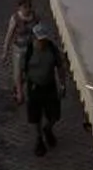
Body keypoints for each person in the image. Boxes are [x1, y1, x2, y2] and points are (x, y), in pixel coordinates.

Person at [22, 23, 66, 155]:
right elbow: (21, 70)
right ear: (34, 38)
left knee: (54, 114)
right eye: (40, 40)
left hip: (49, 85)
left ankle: (47, 128)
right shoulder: (28, 51)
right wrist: (19, 89)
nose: (42, 42)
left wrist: (62, 84)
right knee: (36, 116)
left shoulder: (52, 49)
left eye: (44, 39)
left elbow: (60, 67)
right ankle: (39, 139)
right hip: (34, 87)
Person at [2, 0, 36, 104]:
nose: (27, 9)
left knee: (29, 71)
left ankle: (18, 86)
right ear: (20, 7)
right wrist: (5, 52)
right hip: (19, 49)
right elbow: (9, 35)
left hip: (31, 48)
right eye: (25, 7)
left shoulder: (34, 17)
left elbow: (39, 32)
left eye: (29, 7)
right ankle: (19, 94)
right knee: (18, 71)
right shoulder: (15, 18)